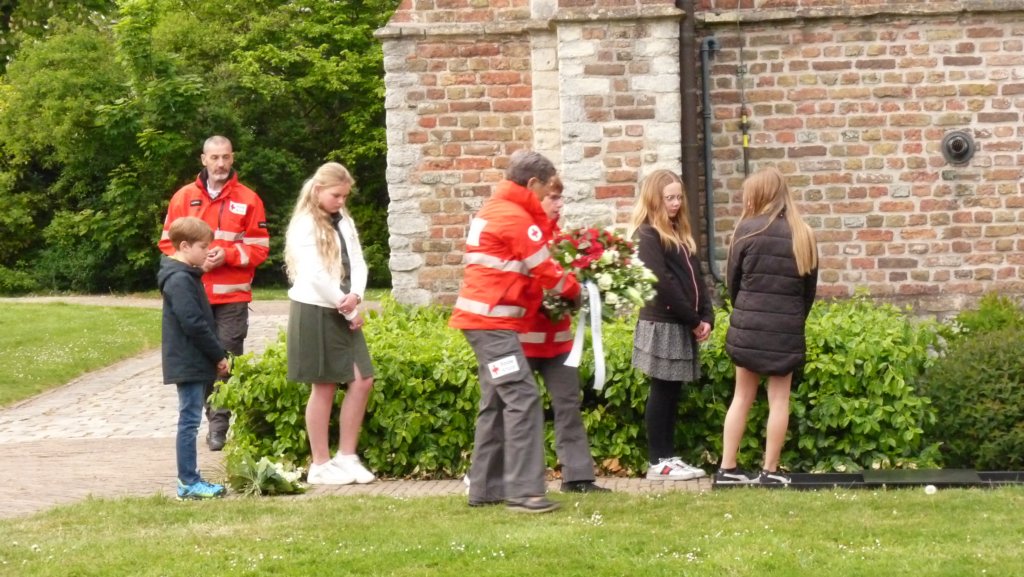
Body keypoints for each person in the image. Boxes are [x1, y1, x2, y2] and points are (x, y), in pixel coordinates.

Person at [449, 150, 581, 514]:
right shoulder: (516, 217)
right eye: (544, 192)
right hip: (494, 326)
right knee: (522, 398)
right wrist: (576, 290)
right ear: (532, 183)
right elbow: (546, 270)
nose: (546, 200)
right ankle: (525, 493)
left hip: (484, 323)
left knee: (495, 401)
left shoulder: (493, 209)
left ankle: (485, 488)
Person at [158, 135, 270, 452]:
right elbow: (168, 243)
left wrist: (228, 254)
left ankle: (218, 427)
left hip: (232, 297)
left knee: (227, 359)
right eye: (215, 158)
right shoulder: (182, 198)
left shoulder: (249, 199)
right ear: (203, 159)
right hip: (195, 295)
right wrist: (195, 263)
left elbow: (260, 249)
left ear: (232, 158)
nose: (221, 164)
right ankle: (211, 418)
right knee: (203, 359)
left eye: (226, 157)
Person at [715, 166, 818, 486]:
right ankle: (770, 471)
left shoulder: (745, 231)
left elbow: (732, 284)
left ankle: (727, 469)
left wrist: (746, 310)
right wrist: (792, 319)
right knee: (779, 401)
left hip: (748, 324)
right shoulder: (804, 234)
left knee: (741, 397)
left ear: (756, 195)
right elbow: (808, 292)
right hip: (785, 327)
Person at [284, 162, 375, 486]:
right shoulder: (305, 224)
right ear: (320, 190)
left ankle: (346, 456)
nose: (340, 201)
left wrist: (356, 294)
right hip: (317, 308)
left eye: (344, 196)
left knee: (362, 380)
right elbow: (314, 273)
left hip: (343, 305)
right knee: (323, 386)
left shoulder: (344, 219)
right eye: (336, 195)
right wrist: (346, 306)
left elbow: (358, 259)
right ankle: (320, 463)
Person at [519, 175, 609, 494]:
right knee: (516, 410)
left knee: (569, 405)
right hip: (525, 339)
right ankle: (507, 477)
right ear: (537, 197)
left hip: (559, 343)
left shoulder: (563, 240)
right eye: (553, 197)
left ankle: (578, 476)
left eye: (561, 198)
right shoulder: (526, 235)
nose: (559, 204)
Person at [629, 169, 714, 481]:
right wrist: (692, 320)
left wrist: (707, 316)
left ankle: (668, 456)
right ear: (655, 198)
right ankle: (658, 460)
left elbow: (698, 279)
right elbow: (662, 284)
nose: (676, 203)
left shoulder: (680, 232)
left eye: (679, 197)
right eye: (670, 198)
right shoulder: (649, 234)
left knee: (672, 390)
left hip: (684, 322)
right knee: (662, 389)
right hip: (663, 323)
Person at [157, 216, 230, 500]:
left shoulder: (187, 275)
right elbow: (194, 323)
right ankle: (188, 481)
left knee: (190, 418)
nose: (207, 252)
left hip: (192, 359)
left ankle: (190, 479)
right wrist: (218, 355)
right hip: (188, 361)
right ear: (185, 246)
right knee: (188, 420)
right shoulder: (179, 279)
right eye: (203, 246)